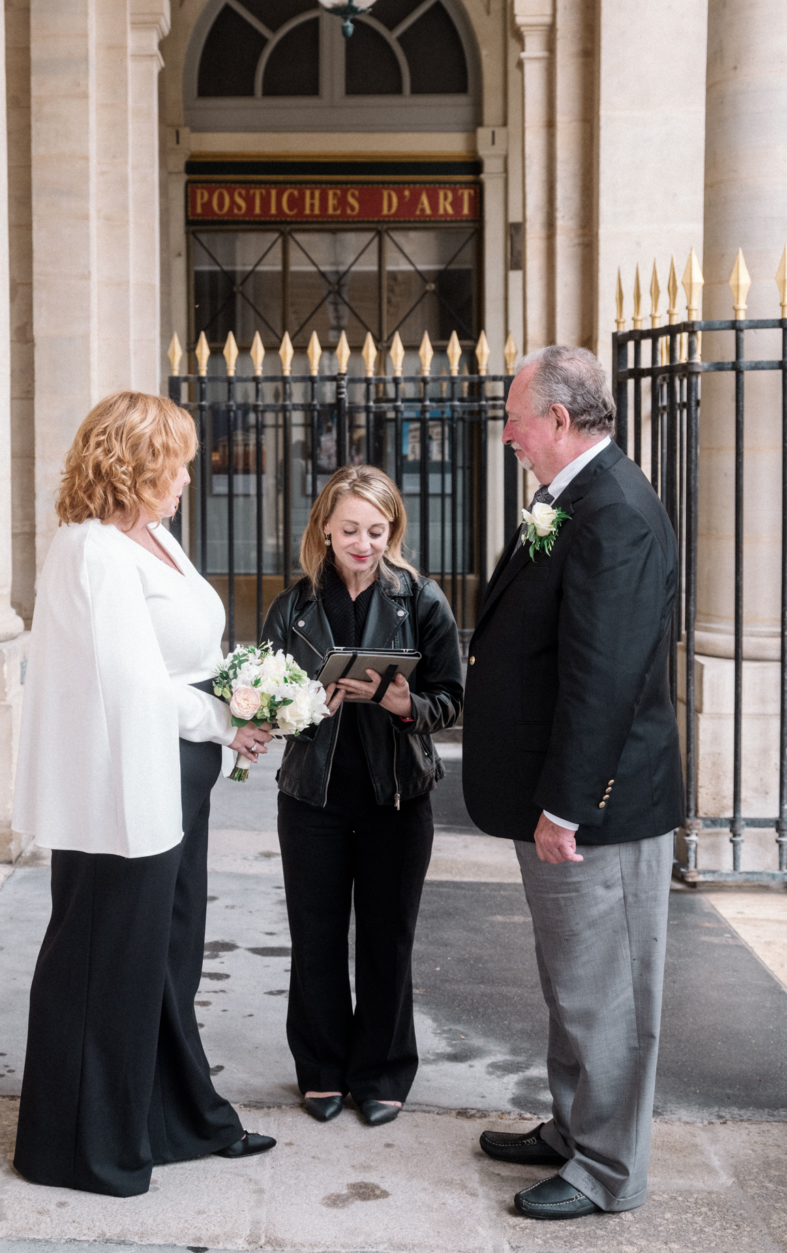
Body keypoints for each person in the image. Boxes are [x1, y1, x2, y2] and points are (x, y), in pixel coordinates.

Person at [11, 391, 277, 1197]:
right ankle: (79, 1145)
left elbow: (190, 645)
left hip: (173, 776)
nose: (190, 477)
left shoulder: (153, 537)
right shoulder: (92, 549)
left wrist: (248, 693)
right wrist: (226, 721)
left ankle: (171, 1118)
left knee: (164, 958)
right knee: (105, 960)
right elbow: (131, 683)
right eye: (178, 463)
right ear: (132, 465)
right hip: (121, 786)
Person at [462, 346, 684, 1222]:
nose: (508, 432)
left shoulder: (615, 511)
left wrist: (565, 804)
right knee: (572, 980)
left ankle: (606, 1169)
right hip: (557, 794)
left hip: (598, 808)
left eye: (516, 416)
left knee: (610, 990)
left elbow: (605, 672)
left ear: (556, 419)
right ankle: (570, 1126)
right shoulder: (576, 498)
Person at [262, 464, 462, 1127]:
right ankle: (320, 1068)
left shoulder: (422, 600)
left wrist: (405, 704)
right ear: (324, 528)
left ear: (392, 530)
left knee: (387, 939)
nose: (363, 543)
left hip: (396, 799)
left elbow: (451, 701)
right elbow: (265, 701)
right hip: (311, 799)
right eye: (349, 529)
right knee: (314, 937)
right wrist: (294, 705)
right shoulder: (291, 609)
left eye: (377, 530)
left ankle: (379, 1072)